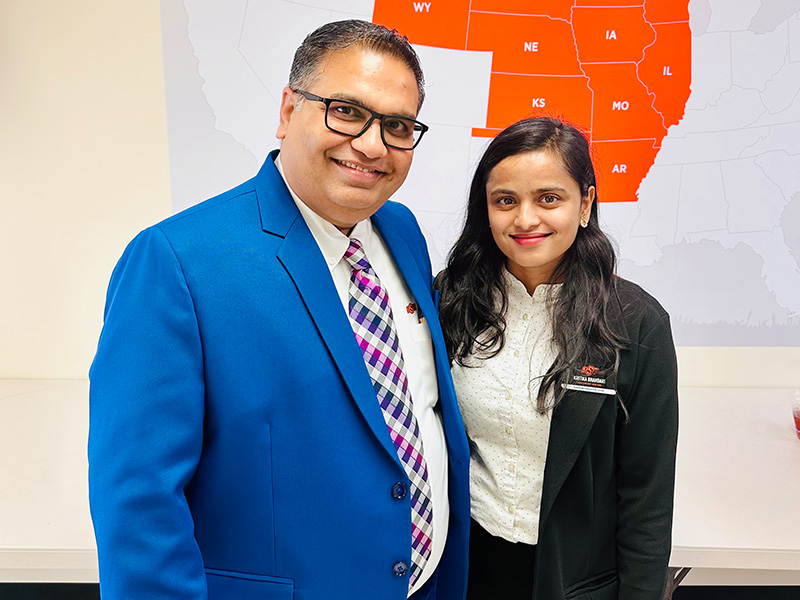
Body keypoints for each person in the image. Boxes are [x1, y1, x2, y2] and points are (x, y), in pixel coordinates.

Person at [88, 20, 469, 600]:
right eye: (347, 111)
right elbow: (139, 506)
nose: (372, 145)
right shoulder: (175, 262)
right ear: (289, 110)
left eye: (397, 126)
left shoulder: (401, 231)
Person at [435, 117, 678, 600]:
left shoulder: (635, 323)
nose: (525, 219)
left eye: (548, 198)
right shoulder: (451, 299)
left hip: (575, 580)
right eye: (505, 200)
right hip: (463, 566)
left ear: (585, 204)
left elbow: (647, 497)